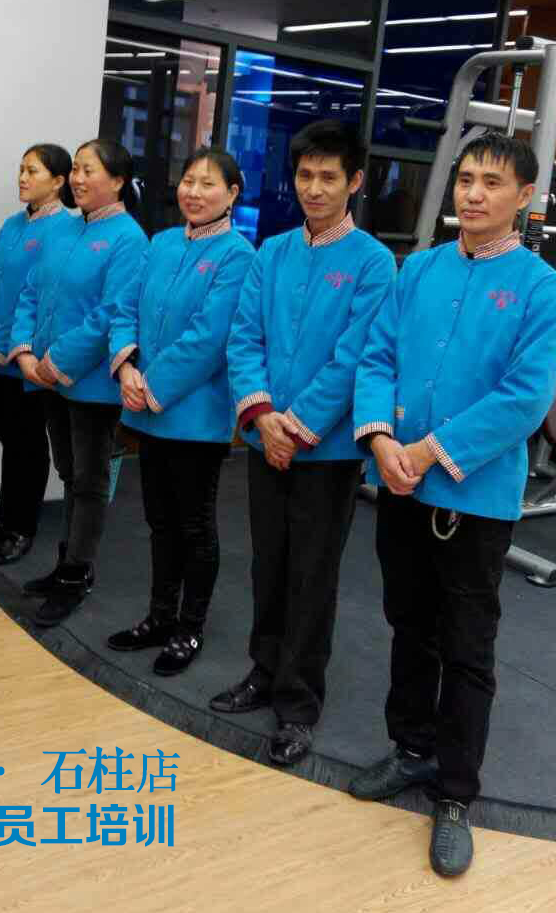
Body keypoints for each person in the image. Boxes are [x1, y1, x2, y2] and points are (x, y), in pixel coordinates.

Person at [350, 133, 556, 877]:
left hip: (473, 501)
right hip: (400, 486)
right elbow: (378, 357)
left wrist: (426, 451)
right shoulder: (419, 269)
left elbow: (525, 398)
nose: (473, 194)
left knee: (467, 648)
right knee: (408, 627)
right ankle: (410, 749)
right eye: (466, 178)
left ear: (524, 197)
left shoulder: (541, 288)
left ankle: (454, 793)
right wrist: (381, 439)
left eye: (491, 183)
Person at [209, 120, 396, 766]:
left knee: (312, 576)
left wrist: (296, 427)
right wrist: (263, 417)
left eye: (328, 177)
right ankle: (263, 671)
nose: (314, 188)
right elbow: (244, 338)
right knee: (268, 564)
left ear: (355, 182)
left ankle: (298, 703)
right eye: (305, 175)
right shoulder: (272, 252)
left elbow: (355, 357)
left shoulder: (373, 262)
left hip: (328, 451)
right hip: (267, 440)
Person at [105, 148, 255, 676]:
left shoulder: (238, 256)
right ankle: (159, 617)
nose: (193, 191)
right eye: (189, 180)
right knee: (159, 521)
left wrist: (151, 386)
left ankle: (189, 628)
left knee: (194, 525)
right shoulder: (162, 242)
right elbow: (124, 308)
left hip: (195, 417)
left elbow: (210, 339)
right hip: (145, 406)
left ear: (232, 194)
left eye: (208, 183)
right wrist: (126, 367)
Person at [9, 139, 148, 628]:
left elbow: (111, 314)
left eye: (90, 170)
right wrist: (24, 351)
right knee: (68, 473)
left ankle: (76, 575)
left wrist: (54, 361)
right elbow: (31, 291)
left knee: (89, 481)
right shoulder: (66, 228)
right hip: (48, 376)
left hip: (91, 385)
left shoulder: (129, 238)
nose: (78, 178)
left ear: (118, 181)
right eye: (77, 170)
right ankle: (66, 561)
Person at [0, 144, 75, 566]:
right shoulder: (12, 224)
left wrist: (0, 346)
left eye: (33, 171)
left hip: (25, 361)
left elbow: (41, 297)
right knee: (8, 439)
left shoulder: (66, 230)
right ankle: (4, 518)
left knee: (28, 445)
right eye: (21, 169)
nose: (23, 178)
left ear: (58, 182)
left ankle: (22, 527)